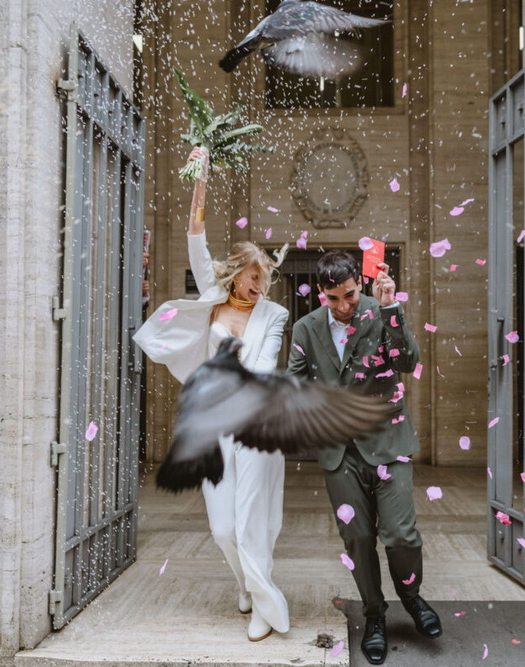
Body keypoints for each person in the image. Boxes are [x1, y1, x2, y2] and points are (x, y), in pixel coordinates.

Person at [133, 147, 290, 642]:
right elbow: (195, 239)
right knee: (223, 528)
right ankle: (248, 583)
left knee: (251, 520)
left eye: (264, 278)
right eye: (253, 276)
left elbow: (264, 367)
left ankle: (265, 607)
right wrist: (200, 178)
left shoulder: (275, 316)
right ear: (238, 272)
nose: (260, 285)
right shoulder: (213, 298)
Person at [286, 250, 442, 665]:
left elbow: (408, 360)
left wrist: (391, 308)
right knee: (357, 539)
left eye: (351, 296)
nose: (343, 307)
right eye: (334, 298)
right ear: (322, 293)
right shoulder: (305, 328)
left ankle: (412, 597)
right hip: (339, 453)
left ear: (360, 282)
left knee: (401, 534)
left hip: (388, 442)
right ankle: (374, 615)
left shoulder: (380, 310)